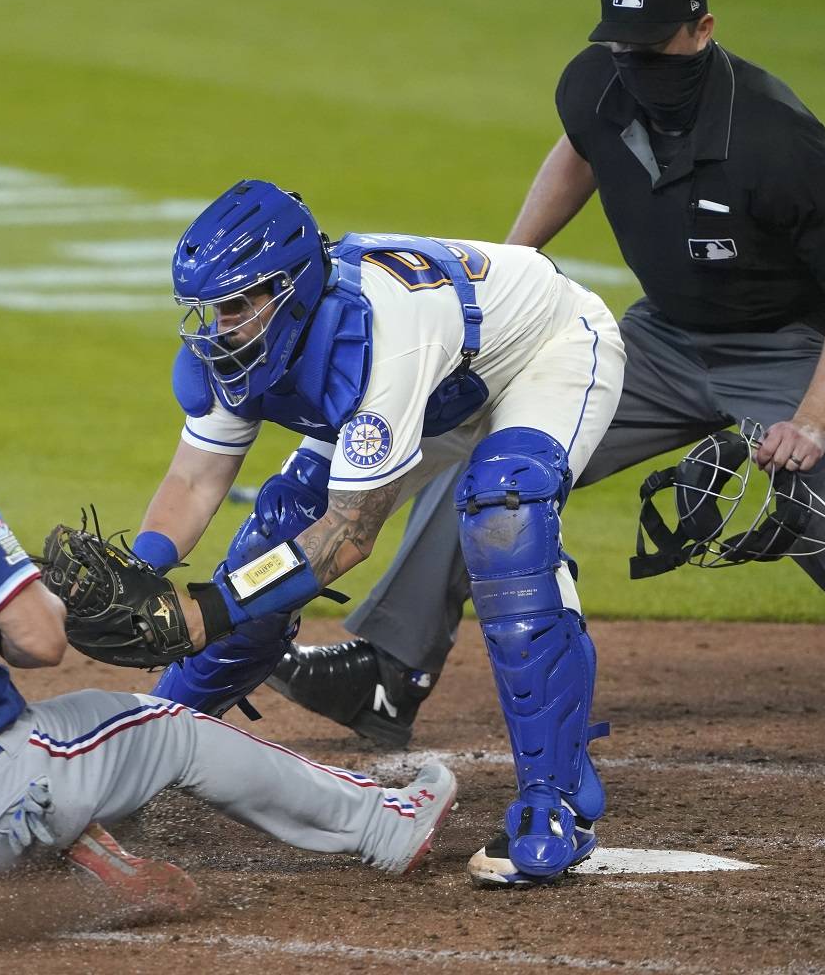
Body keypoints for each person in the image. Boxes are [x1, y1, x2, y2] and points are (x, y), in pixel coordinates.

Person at [266, 0, 825, 804]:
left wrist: (810, 423)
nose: (636, 63)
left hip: (788, 349)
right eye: (623, 44)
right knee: (487, 448)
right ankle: (386, 669)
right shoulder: (599, 81)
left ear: (702, 30)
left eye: (654, 45)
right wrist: (500, 284)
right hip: (661, 340)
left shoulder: (777, 137)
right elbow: (579, 151)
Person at [0, 339, 457, 898]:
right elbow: (40, 644)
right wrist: (31, 604)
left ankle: (82, 860)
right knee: (169, 729)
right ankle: (381, 824)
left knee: (39, 744)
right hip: (6, 796)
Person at [122, 179, 626, 885]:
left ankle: (559, 799)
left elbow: (347, 536)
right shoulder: (248, 351)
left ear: (288, 290)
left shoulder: (374, 341)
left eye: (236, 305)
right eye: (211, 308)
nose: (218, 325)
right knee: (274, 536)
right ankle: (132, 754)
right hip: (437, 387)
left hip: (544, 354)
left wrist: (213, 607)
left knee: (505, 512)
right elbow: (194, 481)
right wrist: (144, 567)